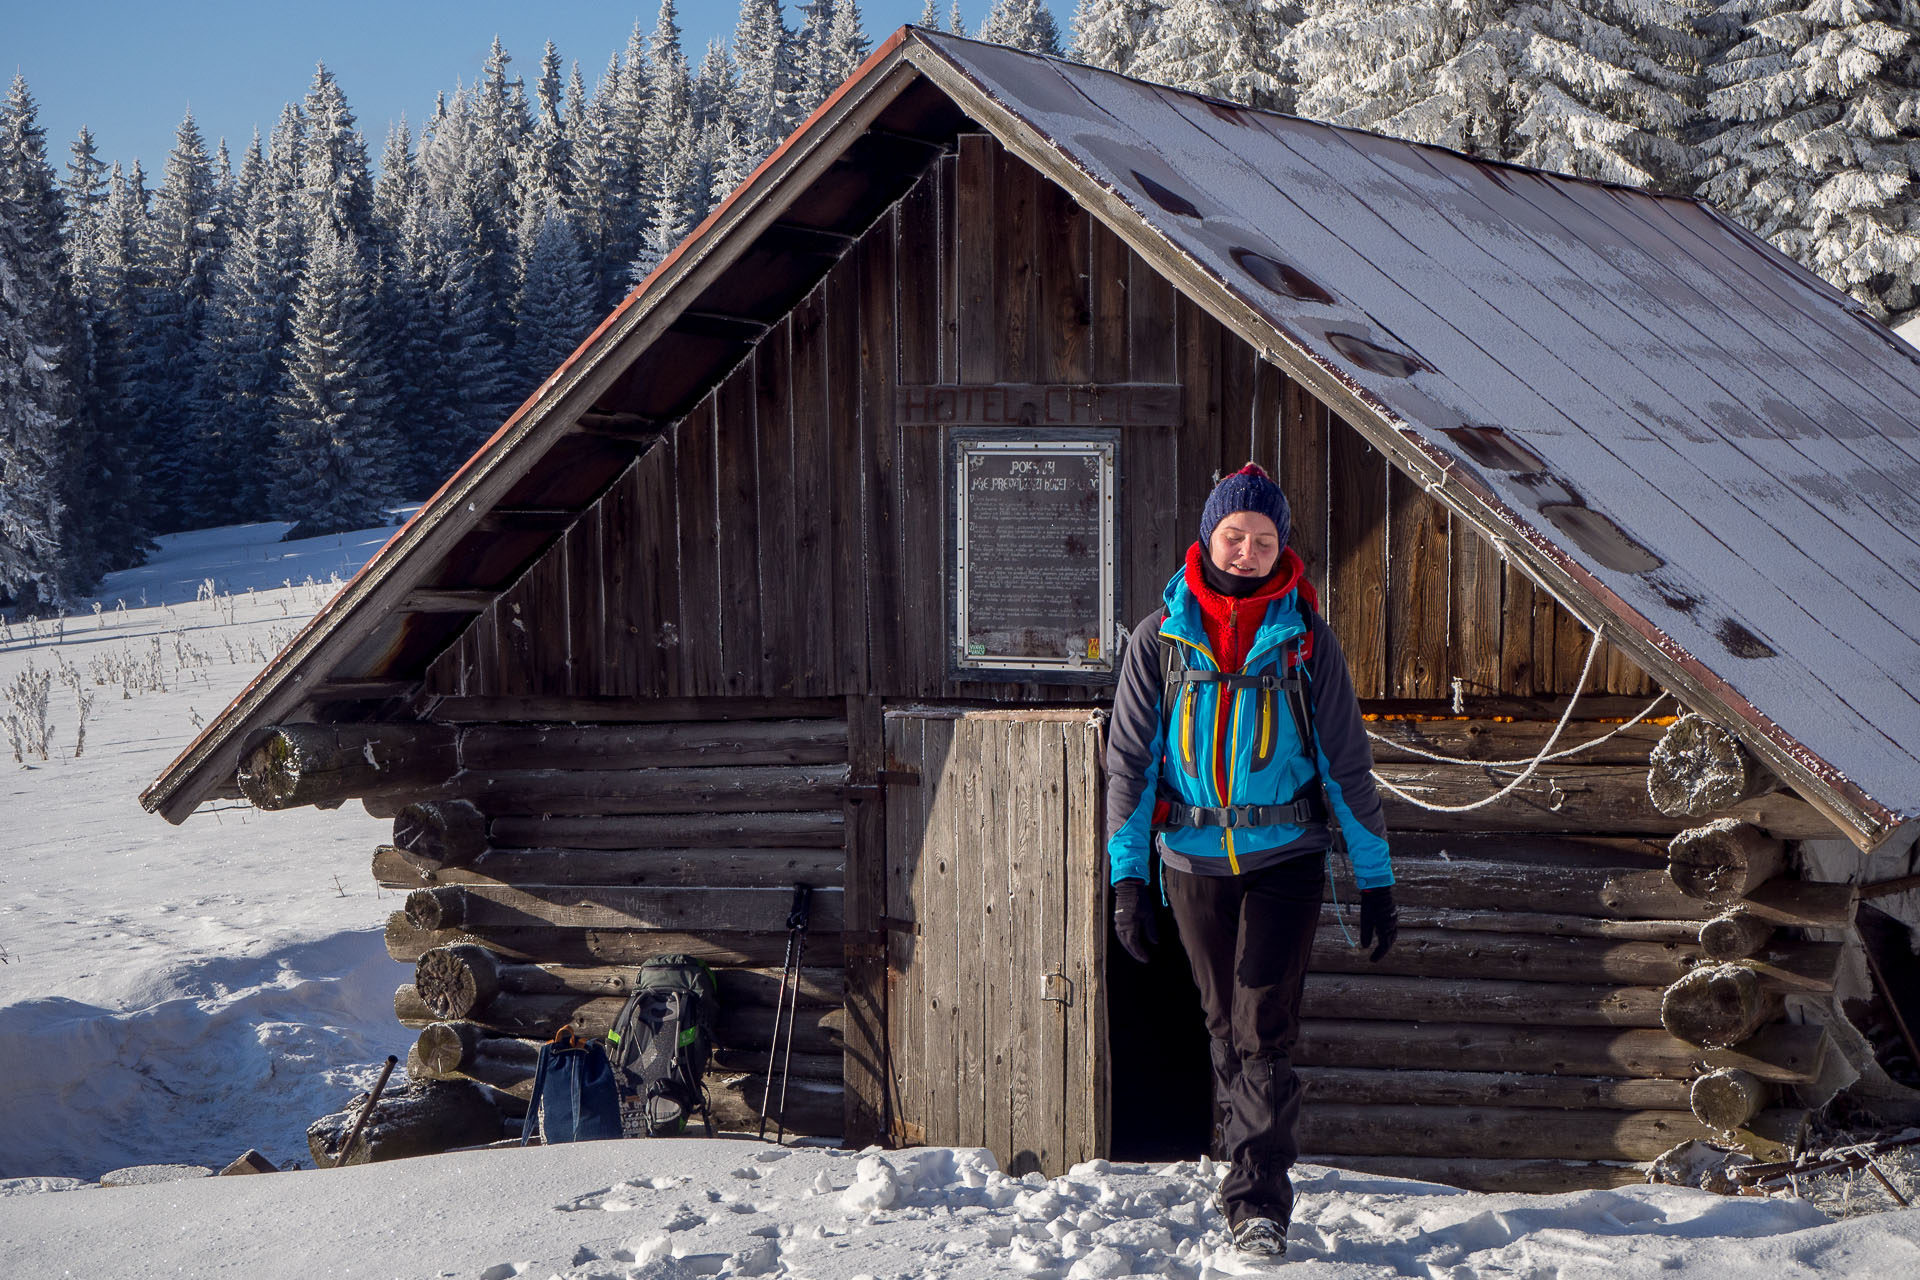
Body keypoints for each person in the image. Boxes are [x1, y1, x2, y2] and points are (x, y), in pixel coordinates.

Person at [1104, 462, 1397, 1258]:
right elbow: (1130, 765)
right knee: (1221, 1025)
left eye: (1263, 539)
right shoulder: (1157, 640)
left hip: (1285, 857)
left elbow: (1346, 763)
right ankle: (1242, 1157)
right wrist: (1128, 877)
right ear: (1209, 537)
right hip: (1192, 860)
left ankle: (1258, 1200)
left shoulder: (1306, 641)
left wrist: (1376, 878)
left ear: (1281, 548)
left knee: (1262, 1021)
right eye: (1235, 535)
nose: (1247, 550)